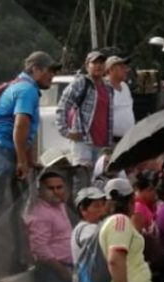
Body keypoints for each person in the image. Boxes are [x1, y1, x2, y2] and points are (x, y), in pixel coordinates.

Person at [0, 51, 60, 212]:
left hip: (1, 151)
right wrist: (23, 162)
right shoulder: (27, 90)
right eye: (49, 70)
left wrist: (28, 161)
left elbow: (26, 133)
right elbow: (20, 126)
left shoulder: (23, 86)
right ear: (36, 69)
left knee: (13, 209)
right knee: (0, 211)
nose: (52, 75)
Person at [24, 171, 84, 282]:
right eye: (51, 188)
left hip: (67, 269)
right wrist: (62, 271)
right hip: (53, 272)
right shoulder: (41, 213)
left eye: (59, 187)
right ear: (41, 191)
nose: (56, 191)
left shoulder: (60, 206)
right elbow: (39, 249)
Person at [57, 51, 112, 190]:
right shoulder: (81, 83)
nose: (98, 66)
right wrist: (66, 131)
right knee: (81, 181)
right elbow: (63, 105)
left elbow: (108, 115)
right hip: (84, 140)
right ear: (87, 66)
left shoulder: (108, 87)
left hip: (102, 142)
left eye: (101, 63)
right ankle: (77, 210)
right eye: (95, 63)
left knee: (97, 182)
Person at [105, 56, 133, 143]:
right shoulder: (103, 88)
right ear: (111, 69)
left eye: (126, 67)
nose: (126, 70)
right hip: (110, 141)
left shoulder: (125, 86)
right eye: (122, 67)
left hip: (127, 138)